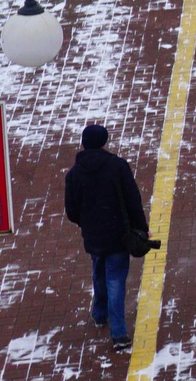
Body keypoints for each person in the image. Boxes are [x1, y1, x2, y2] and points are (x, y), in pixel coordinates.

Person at [63, 123, 149, 351]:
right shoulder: (117, 167)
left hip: (93, 236)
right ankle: (119, 334)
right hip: (118, 233)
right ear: (104, 142)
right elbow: (133, 200)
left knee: (98, 272)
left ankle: (99, 314)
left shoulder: (74, 175)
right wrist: (142, 226)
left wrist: (86, 222)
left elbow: (71, 211)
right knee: (115, 280)